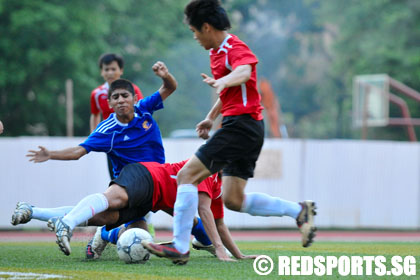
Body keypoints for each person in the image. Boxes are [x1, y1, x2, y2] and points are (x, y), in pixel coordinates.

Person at [142, 0, 317, 265]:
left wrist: (225, 79)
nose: (195, 37)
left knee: (186, 175)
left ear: (207, 26)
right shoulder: (216, 53)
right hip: (247, 128)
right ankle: (299, 211)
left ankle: (180, 246)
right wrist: (211, 117)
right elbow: (230, 92)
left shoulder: (234, 47)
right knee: (234, 199)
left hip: (241, 126)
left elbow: (245, 72)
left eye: (195, 31)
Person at [11, 160, 257, 262]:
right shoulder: (208, 168)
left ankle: (33, 211)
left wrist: (239, 255)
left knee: (102, 216)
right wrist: (218, 250)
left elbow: (218, 224)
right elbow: (204, 212)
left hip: (151, 201)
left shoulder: (216, 190)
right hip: (149, 176)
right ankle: (66, 222)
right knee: (113, 200)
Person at [90, 53, 144, 180]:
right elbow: (95, 114)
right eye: (106, 69)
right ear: (101, 72)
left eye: (113, 69)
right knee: (116, 177)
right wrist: (95, 137)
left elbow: (142, 111)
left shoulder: (133, 90)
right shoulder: (97, 94)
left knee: (136, 176)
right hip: (111, 142)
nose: (110, 73)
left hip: (132, 140)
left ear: (121, 70)